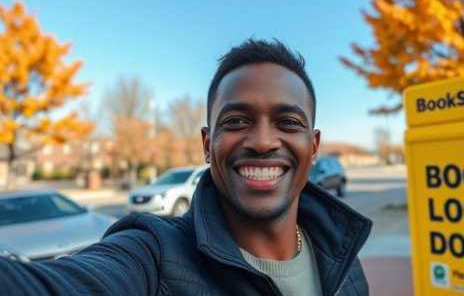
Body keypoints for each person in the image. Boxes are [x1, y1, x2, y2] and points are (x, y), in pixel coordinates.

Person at [0, 39, 373, 295]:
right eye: (237, 121)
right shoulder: (153, 257)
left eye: (288, 122)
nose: (262, 141)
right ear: (208, 146)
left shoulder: (341, 256)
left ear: (313, 147)